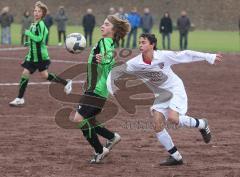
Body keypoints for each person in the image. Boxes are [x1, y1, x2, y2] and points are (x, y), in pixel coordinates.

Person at [107, 33, 223, 166]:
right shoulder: (135, 62)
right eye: (139, 42)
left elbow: (186, 54)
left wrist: (209, 57)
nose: (140, 45)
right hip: (161, 95)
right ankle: (176, 157)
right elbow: (116, 72)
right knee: (157, 124)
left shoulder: (163, 56)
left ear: (152, 45)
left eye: (144, 42)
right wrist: (113, 90)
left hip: (175, 89)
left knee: (173, 119)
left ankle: (202, 124)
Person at [70, 15, 130, 164]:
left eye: (106, 24)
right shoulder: (108, 43)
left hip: (96, 90)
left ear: (114, 30)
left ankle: (99, 150)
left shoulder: (105, 43)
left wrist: (104, 60)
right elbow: (109, 59)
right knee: (89, 120)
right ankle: (111, 137)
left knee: (79, 119)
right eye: (103, 24)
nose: (102, 26)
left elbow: (108, 58)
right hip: (97, 90)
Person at [9, 1, 72, 106]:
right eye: (35, 11)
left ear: (43, 14)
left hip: (41, 57)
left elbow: (40, 39)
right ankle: (19, 98)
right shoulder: (34, 24)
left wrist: (28, 33)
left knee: (45, 76)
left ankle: (66, 83)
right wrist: (28, 42)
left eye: (39, 11)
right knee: (25, 73)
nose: (36, 13)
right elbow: (35, 40)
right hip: (32, 56)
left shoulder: (41, 25)